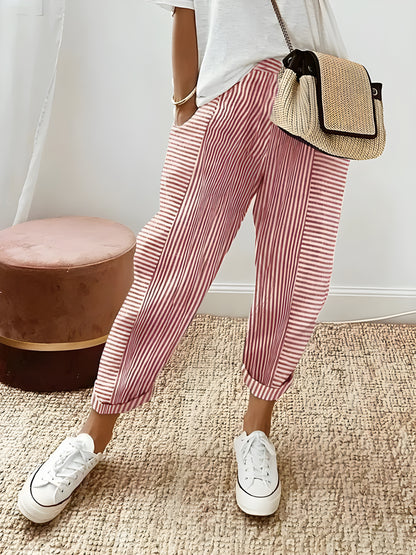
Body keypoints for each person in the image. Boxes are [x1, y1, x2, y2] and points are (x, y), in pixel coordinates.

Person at [17, 0, 350, 523]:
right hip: (225, 94)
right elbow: (184, 8)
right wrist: (184, 106)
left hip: (315, 93)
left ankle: (257, 429)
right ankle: (92, 433)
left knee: (297, 275)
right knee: (168, 268)